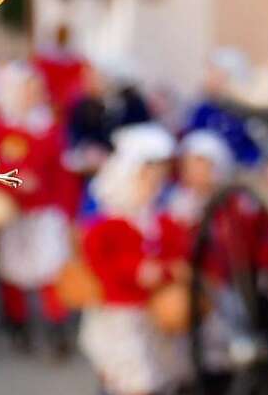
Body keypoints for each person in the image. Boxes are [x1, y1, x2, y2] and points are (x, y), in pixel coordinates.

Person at [0, 62, 75, 356]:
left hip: (45, 211)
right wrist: (11, 182)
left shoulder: (49, 126)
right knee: (13, 270)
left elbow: (62, 172)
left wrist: (66, 210)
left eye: (34, 89)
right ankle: (19, 326)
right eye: (26, 89)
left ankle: (57, 329)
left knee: (51, 268)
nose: (31, 95)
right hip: (10, 213)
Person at [78, 123, 190, 395]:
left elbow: (177, 256)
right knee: (131, 376)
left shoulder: (163, 221)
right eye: (144, 179)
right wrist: (133, 270)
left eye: (156, 180)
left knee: (160, 374)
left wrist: (170, 271)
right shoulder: (107, 225)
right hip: (121, 312)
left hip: (156, 312)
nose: (151, 187)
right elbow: (99, 264)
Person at [183, 48, 261, 166]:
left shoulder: (246, 113)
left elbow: (255, 149)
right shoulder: (203, 109)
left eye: (214, 72)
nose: (208, 77)